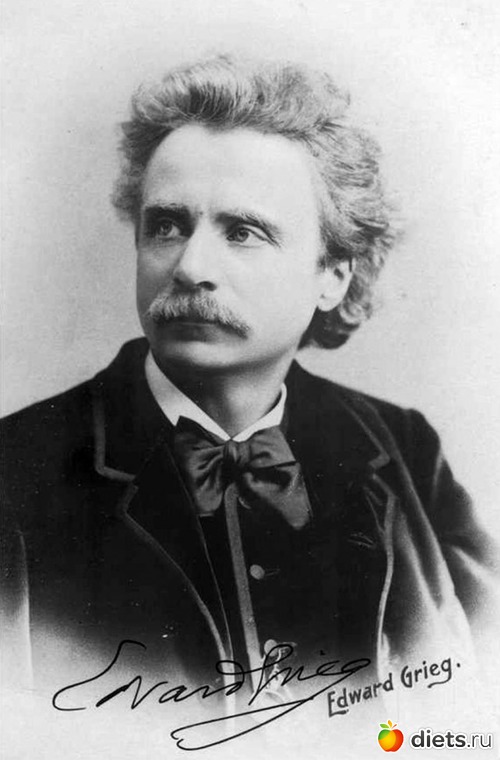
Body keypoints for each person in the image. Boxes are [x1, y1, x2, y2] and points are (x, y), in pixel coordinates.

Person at [0, 55, 497, 722]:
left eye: (243, 232)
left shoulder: (405, 451)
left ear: (333, 275)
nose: (190, 267)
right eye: (167, 226)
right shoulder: (15, 470)